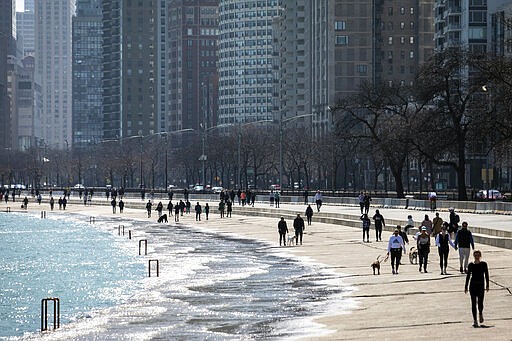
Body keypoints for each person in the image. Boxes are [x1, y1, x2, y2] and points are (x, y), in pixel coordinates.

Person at [465, 250, 489, 328]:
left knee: (480, 303)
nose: (477, 256)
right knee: (473, 303)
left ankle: (480, 313)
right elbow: (468, 276)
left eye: (478, 255)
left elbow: (487, 275)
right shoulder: (471, 265)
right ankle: (475, 320)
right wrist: (466, 286)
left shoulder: (484, 264)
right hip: (473, 286)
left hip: (481, 286)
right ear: (473, 256)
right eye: (475, 255)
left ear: (480, 256)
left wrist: (487, 285)